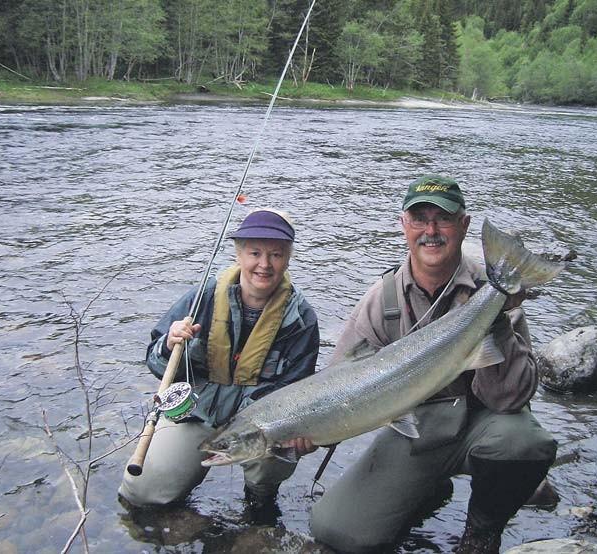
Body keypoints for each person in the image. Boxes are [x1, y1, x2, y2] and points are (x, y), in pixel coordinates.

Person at [309, 175, 557, 553]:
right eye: (419, 219)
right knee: (335, 530)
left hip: (482, 426)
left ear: (464, 225)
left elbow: (513, 397)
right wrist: (309, 432)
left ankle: (482, 530)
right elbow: (338, 387)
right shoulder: (380, 300)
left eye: (442, 219)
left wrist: (498, 323)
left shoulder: (493, 289)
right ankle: (427, 490)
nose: (431, 231)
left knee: (526, 442)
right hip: (415, 433)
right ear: (404, 225)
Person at [119, 208, 320, 515]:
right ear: (239, 255)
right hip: (196, 413)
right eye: (254, 252)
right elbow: (155, 364)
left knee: (278, 457)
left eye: (276, 255)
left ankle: (260, 498)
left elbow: (296, 394)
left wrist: (307, 434)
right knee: (141, 492)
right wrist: (170, 344)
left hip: (261, 423)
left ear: (288, 259)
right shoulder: (201, 298)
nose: (264, 265)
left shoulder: (301, 320)